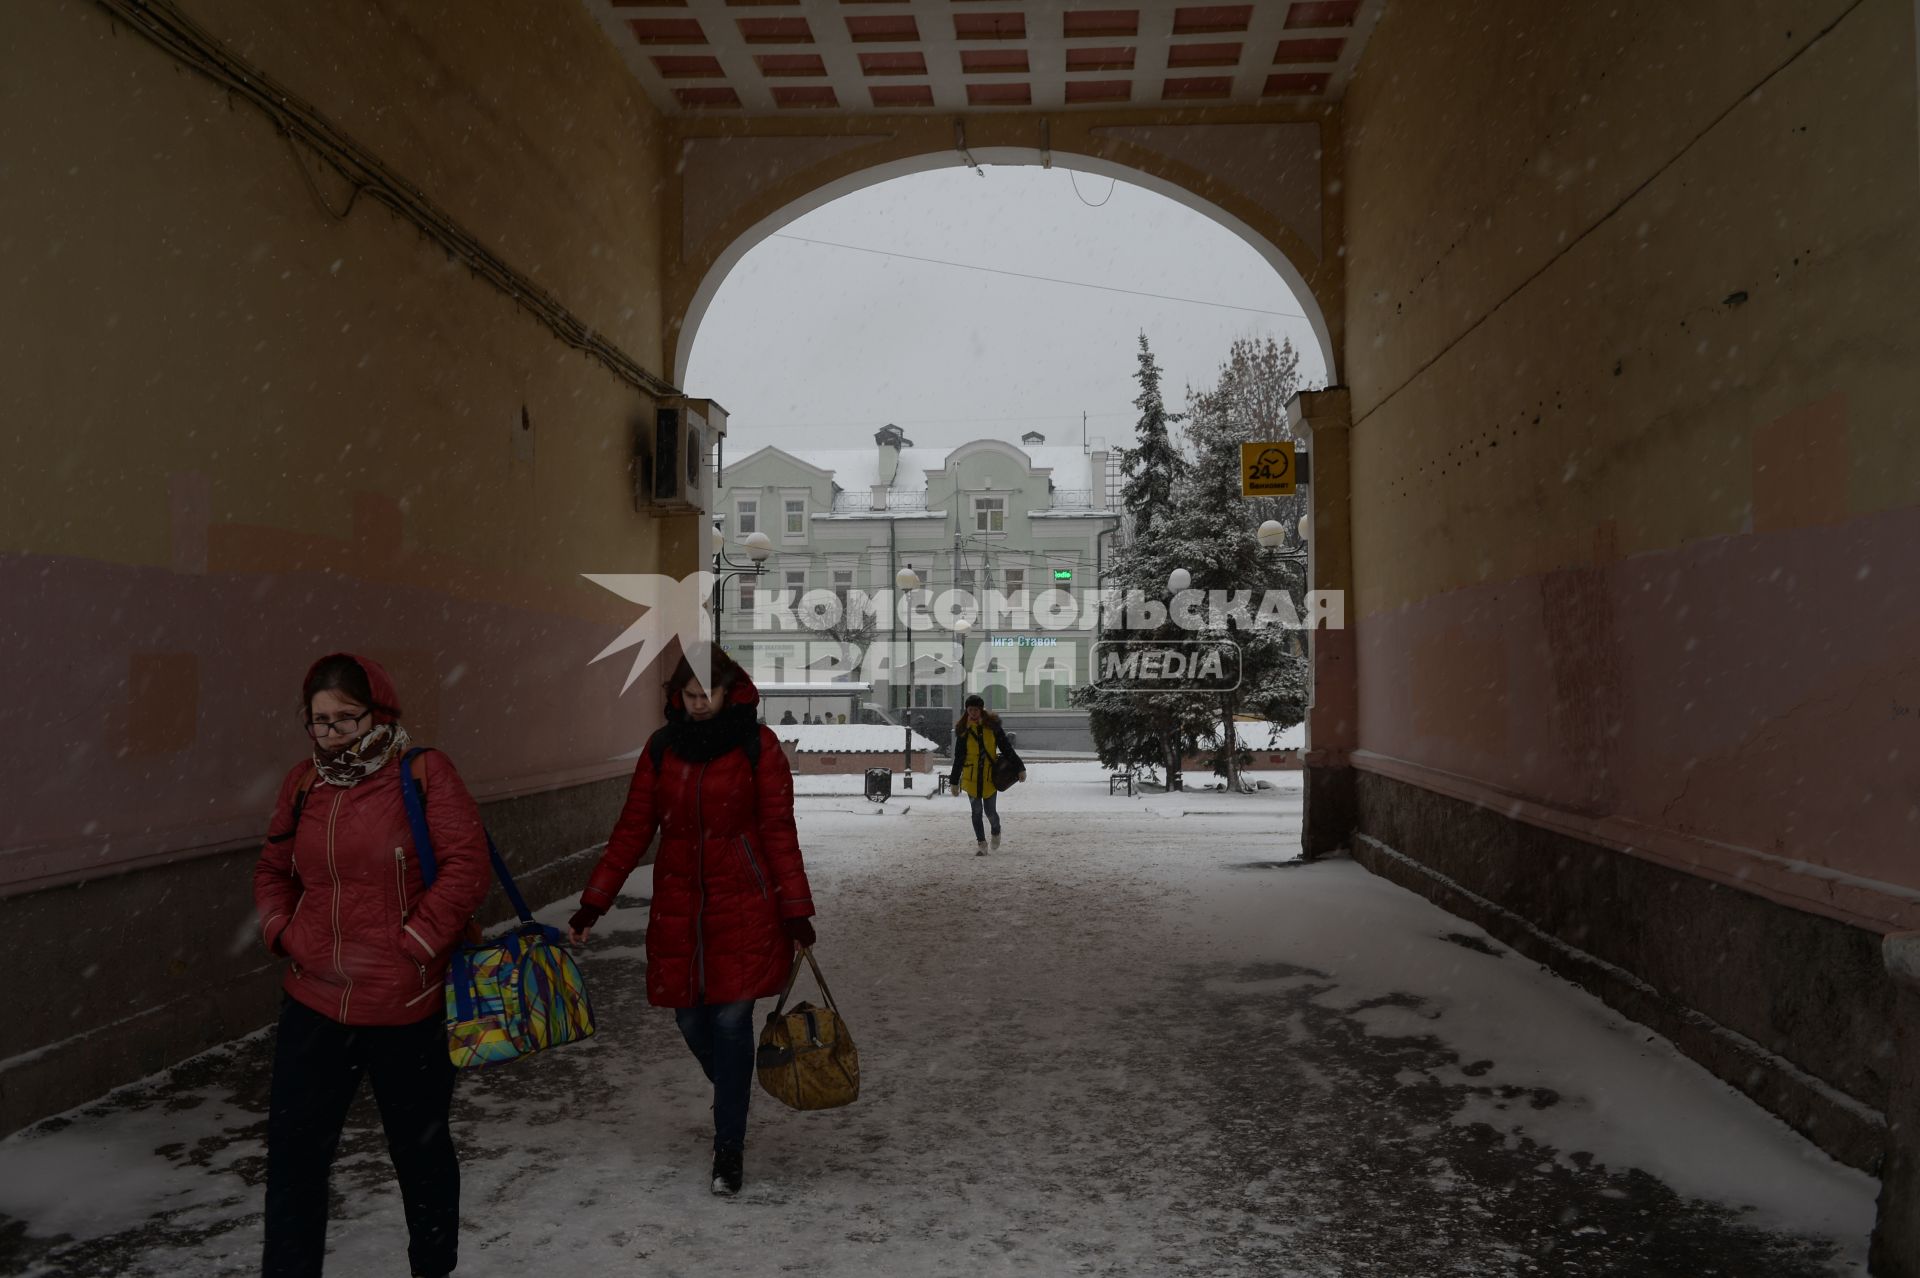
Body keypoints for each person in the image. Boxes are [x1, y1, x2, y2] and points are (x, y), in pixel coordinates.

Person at [253, 653, 492, 1278]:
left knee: (421, 1156)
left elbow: (467, 869)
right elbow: (274, 868)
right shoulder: (303, 782)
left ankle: (432, 1268)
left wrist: (412, 946)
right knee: (294, 1161)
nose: (331, 735)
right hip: (314, 1001)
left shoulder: (423, 773)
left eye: (346, 720)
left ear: (379, 713)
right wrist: (282, 930)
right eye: (319, 721)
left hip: (405, 1005)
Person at [568, 643, 816, 1196]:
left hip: (745, 905)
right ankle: (733, 1090)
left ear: (730, 692)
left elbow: (779, 831)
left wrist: (795, 910)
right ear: (676, 696)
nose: (699, 704)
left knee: (730, 1021)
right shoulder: (662, 749)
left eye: (708, 694)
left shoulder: (758, 746)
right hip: (679, 905)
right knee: (689, 1020)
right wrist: (594, 902)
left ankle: (728, 1147)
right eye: (690, 695)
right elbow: (633, 829)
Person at [948, 693, 1025, 855]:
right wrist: (954, 781)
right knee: (976, 812)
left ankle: (996, 831)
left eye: (976, 709)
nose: (973, 713)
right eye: (970, 709)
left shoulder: (992, 726)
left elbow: (1006, 749)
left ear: (981, 710)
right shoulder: (963, 730)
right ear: (967, 710)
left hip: (990, 776)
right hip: (971, 776)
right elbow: (959, 757)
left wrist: (1020, 767)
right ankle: (981, 844)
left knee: (990, 812)